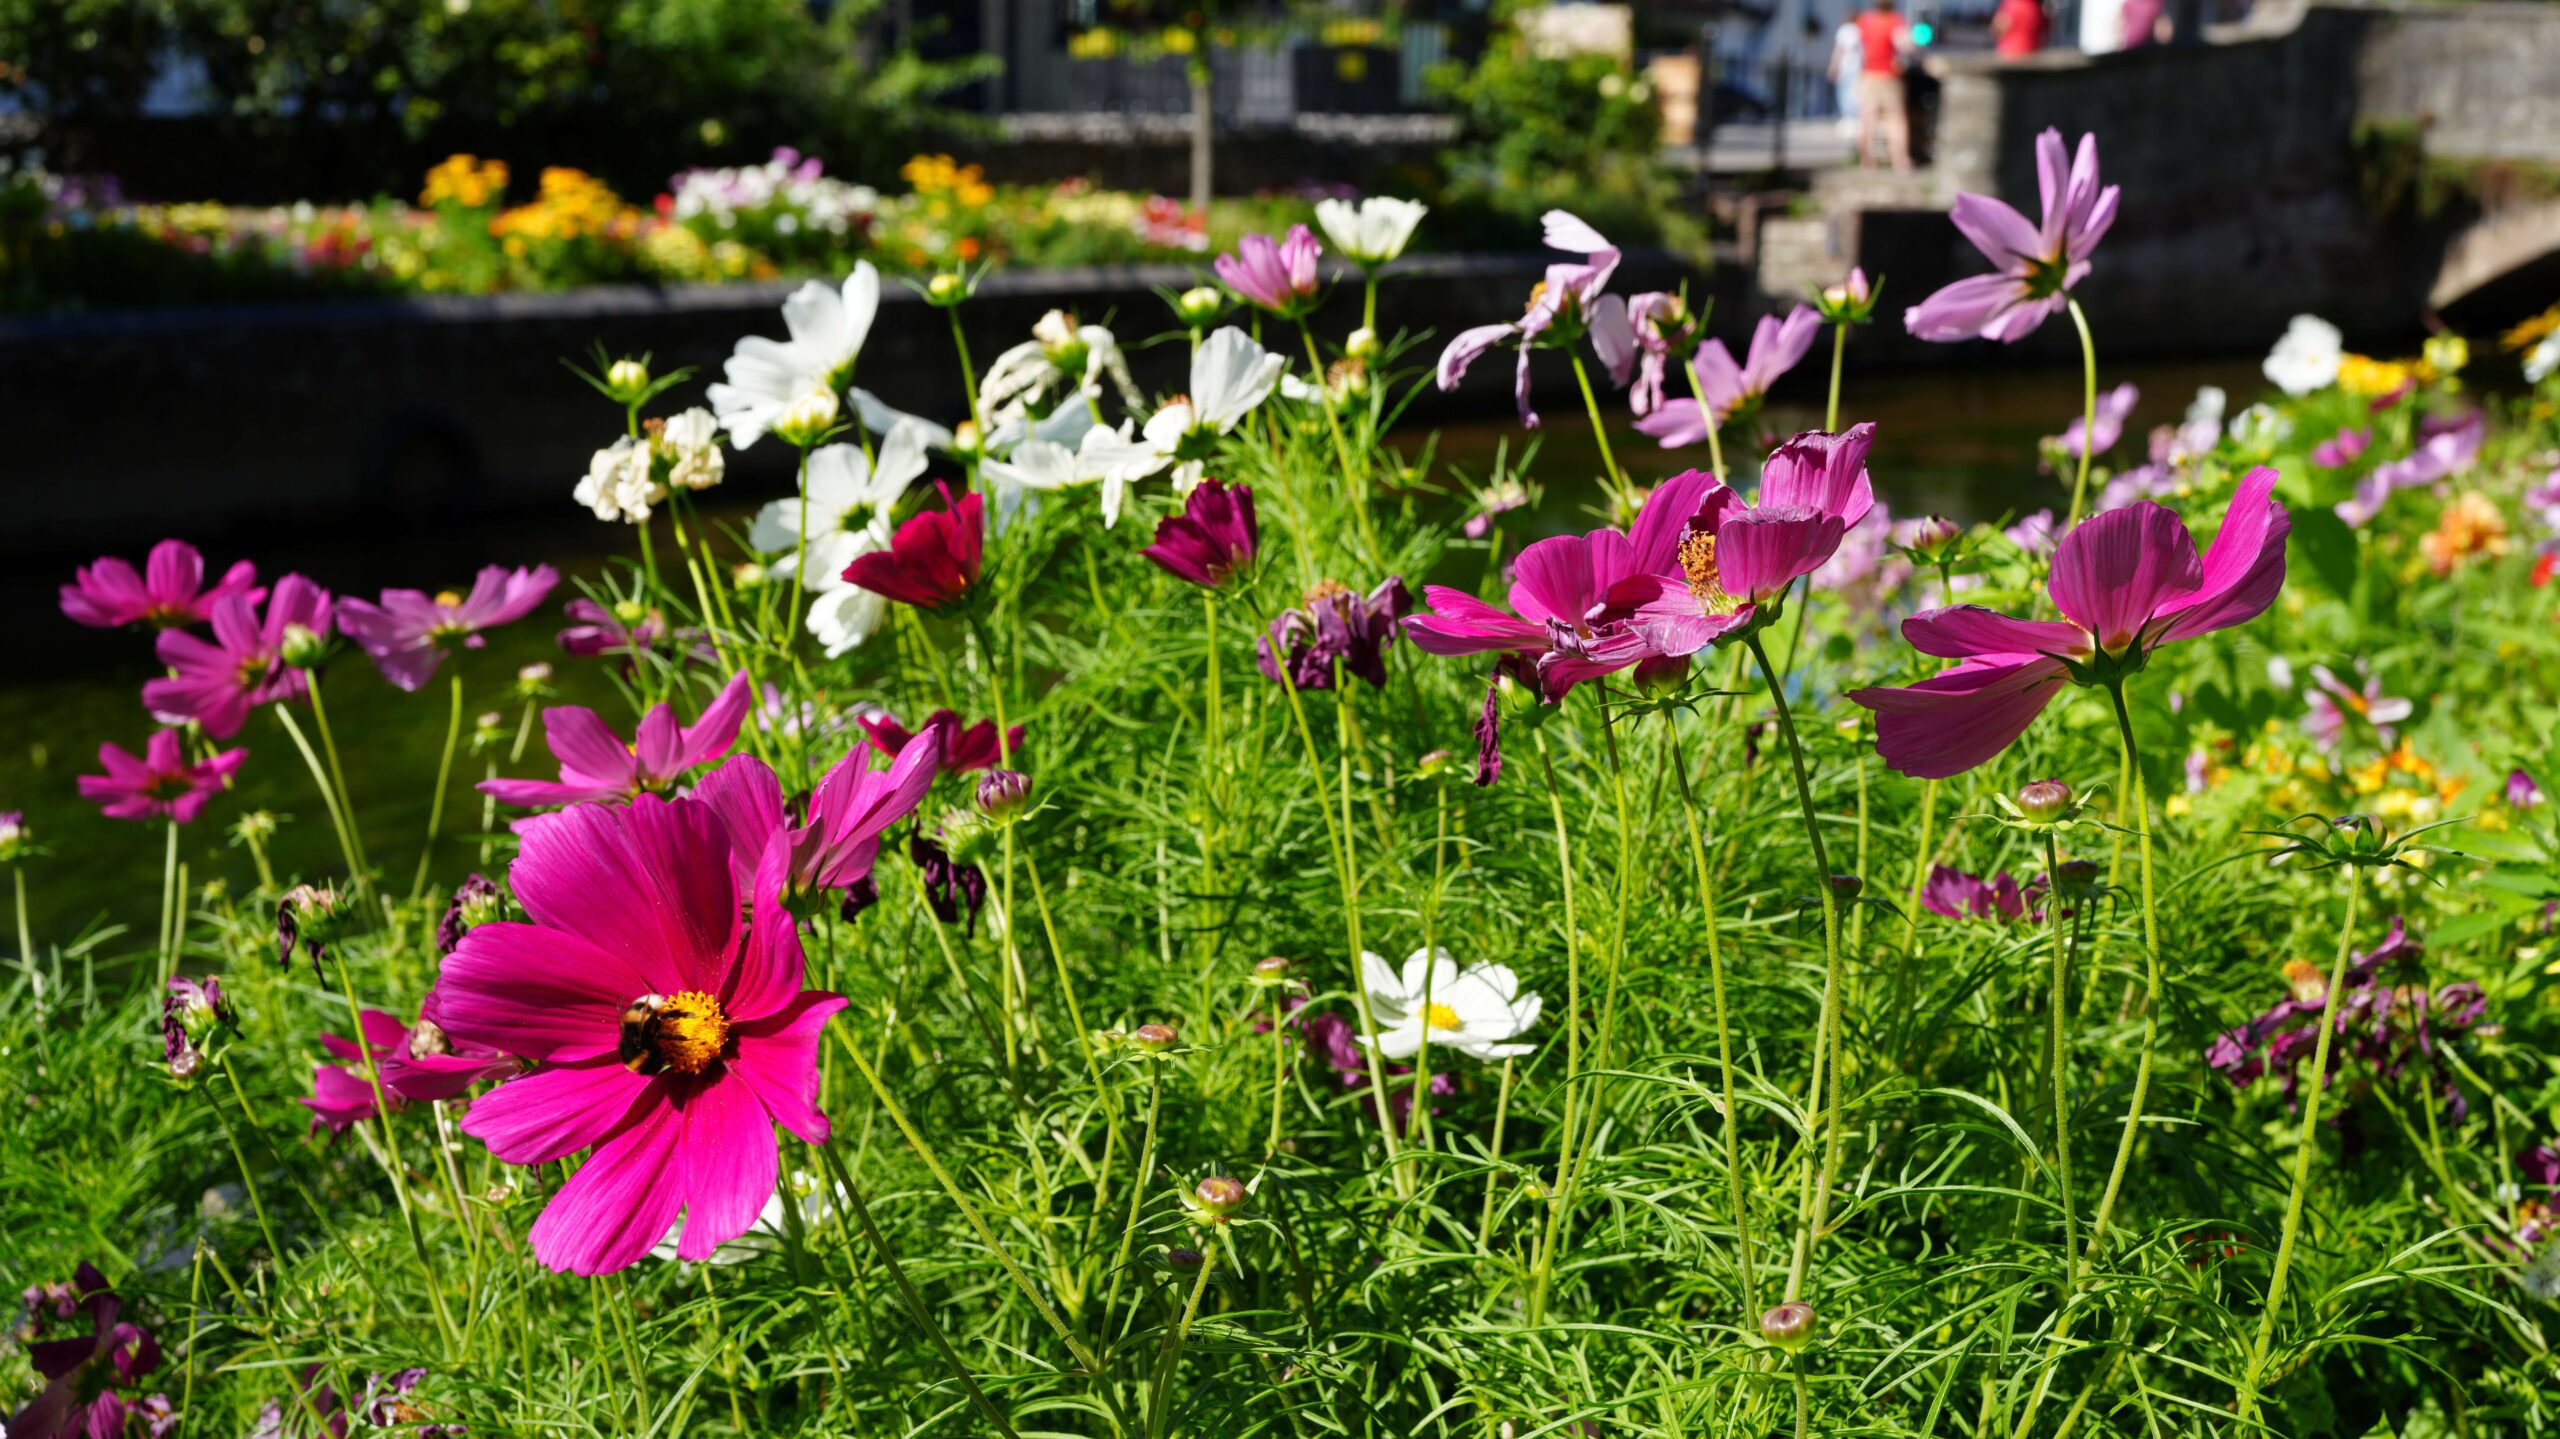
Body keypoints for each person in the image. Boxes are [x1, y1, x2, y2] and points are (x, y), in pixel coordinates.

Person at [1852, 0, 1913, 172]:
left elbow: (1859, 48)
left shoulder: (1864, 21)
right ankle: (1900, 161)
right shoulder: (1895, 21)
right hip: (1888, 75)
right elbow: (1905, 45)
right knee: (1894, 119)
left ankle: (1866, 162)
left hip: (1868, 74)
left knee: (1867, 119)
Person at [1827, 13, 1865, 141]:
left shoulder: (1845, 30)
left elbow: (1839, 49)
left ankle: (1849, 119)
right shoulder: (1861, 29)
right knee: (1855, 94)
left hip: (1847, 67)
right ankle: (1855, 120)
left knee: (1845, 94)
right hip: (1859, 68)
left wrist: (1833, 66)